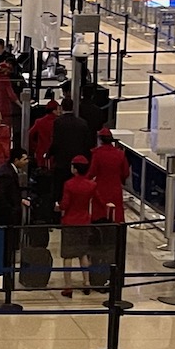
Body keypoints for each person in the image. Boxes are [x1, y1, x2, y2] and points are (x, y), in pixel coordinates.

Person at [57, 155, 98, 296]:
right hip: (84, 221)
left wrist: (57, 207)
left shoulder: (69, 184)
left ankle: (68, 286)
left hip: (70, 222)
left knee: (68, 256)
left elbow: (65, 204)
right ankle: (86, 283)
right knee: (83, 254)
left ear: (74, 169)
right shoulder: (91, 185)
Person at [50, 100, 94, 203]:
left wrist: (49, 154)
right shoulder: (82, 123)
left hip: (62, 162)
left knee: (60, 190)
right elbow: (87, 143)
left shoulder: (58, 122)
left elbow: (56, 142)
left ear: (61, 108)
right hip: (78, 162)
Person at [88, 127, 131, 223]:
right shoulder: (120, 154)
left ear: (100, 140)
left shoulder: (97, 154)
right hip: (116, 187)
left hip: (100, 188)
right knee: (116, 214)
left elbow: (92, 172)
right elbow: (126, 172)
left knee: (100, 213)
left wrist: (84, 179)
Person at [0, 147, 31, 229]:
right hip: (3, 217)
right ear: (16, 160)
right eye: (25, 159)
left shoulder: (9, 170)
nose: (27, 162)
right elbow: (1, 196)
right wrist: (12, 211)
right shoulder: (5, 173)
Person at [28, 98, 61, 169]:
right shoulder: (59, 122)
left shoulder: (39, 122)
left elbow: (30, 134)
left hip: (41, 152)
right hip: (56, 154)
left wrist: (34, 146)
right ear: (54, 111)